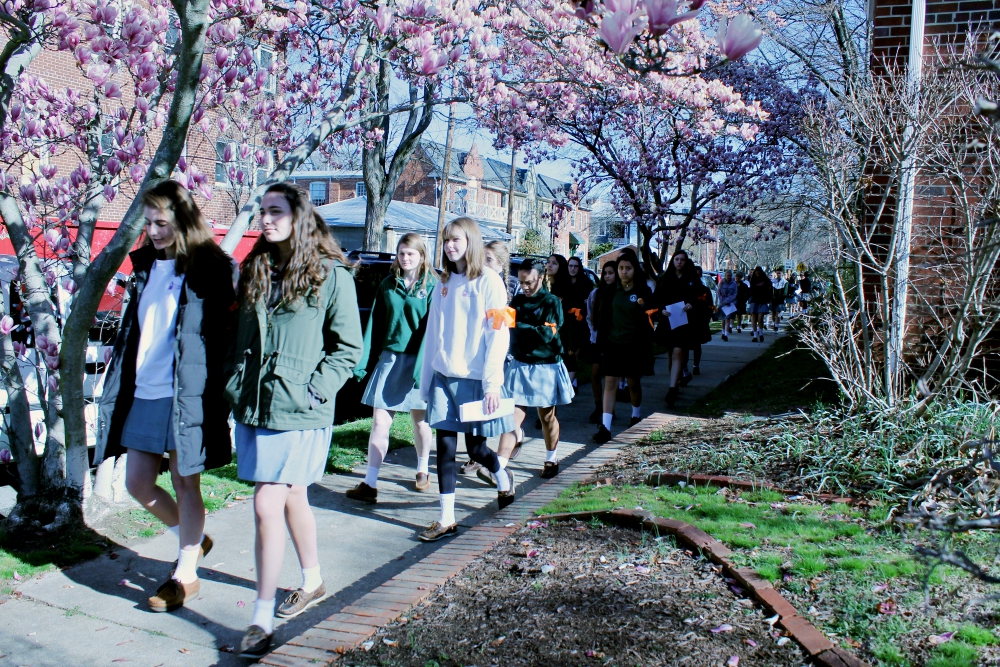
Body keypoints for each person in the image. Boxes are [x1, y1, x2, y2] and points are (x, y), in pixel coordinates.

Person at [227, 183, 363, 659]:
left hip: (300, 408)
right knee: (292, 498)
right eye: (262, 212)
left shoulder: (332, 276)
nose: (266, 220)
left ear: (299, 217)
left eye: (276, 212)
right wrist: (233, 383)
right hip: (258, 405)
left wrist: (315, 389)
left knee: (267, 502)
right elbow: (240, 335)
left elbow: (348, 349)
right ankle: (313, 579)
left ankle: (260, 619)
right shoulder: (257, 269)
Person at [95, 180, 236, 613]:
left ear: (182, 219)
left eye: (162, 223)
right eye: (149, 223)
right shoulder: (144, 267)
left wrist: (216, 396)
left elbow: (222, 340)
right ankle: (193, 540)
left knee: (183, 481)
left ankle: (185, 575)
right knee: (137, 481)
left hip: (185, 394)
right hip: (144, 391)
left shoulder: (210, 268)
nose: (154, 231)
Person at [419, 217, 516, 542]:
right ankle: (447, 518)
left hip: (476, 381)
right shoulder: (443, 283)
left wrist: (492, 383)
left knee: (476, 450)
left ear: (471, 241)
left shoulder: (490, 281)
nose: (450, 245)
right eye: (446, 240)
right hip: (445, 378)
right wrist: (426, 381)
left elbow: (498, 335)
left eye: (456, 239)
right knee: (444, 449)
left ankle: (502, 477)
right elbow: (433, 333)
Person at [346, 233, 436, 503]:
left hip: (418, 362)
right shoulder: (387, 284)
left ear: (422, 256)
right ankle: (370, 483)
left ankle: (422, 469)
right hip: (390, 359)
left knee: (420, 422)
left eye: (411, 253)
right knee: (379, 422)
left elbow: (431, 332)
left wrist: (422, 369)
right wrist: (362, 364)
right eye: (402, 253)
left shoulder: (432, 286)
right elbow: (373, 324)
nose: (406, 258)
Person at [480, 258, 575, 482]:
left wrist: (515, 325)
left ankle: (551, 459)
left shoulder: (552, 302)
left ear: (541, 278)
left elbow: (545, 335)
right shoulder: (518, 301)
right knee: (511, 419)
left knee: (547, 417)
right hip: (521, 365)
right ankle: (499, 467)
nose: (525, 287)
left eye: (530, 282)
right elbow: (503, 326)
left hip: (545, 366)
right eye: (522, 282)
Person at [593, 250, 654, 443]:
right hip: (613, 344)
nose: (624, 272)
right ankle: (605, 427)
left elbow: (651, 317)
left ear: (635, 269)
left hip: (634, 345)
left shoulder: (643, 291)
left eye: (628, 268)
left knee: (633, 384)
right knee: (610, 383)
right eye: (621, 268)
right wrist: (600, 343)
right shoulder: (610, 291)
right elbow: (603, 319)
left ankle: (635, 415)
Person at [652, 250, 697, 408]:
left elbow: (698, 297)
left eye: (682, 260)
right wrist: (661, 309)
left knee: (679, 351)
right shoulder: (665, 278)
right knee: (672, 353)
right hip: (669, 319)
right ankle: (674, 383)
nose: (679, 262)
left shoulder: (691, 278)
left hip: (684, 321)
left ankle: (672, 388)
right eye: (677, 259)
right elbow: (657, 298)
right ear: (673, 261)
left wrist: (692, 304)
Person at [587, 261, 618, 423]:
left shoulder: (619, 293)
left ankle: (609, 408)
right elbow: (589, 316)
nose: (607, 276)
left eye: (611, 273)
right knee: (595, 373)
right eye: (605, 273)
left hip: (613, 339)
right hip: (597, 339)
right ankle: (598, 405)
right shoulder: (596, 294)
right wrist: (593, 334)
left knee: (611, 376)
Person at [563, 256, 594, 391]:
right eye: (570, 266)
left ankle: (570, 384)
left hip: (580, 322)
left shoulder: (586, 283)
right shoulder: (564, 282)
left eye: (575, 266)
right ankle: (572, 382)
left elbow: (588, 302)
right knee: (568, 354)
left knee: (575, 352)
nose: (573, 269)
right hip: (566, 322)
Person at [689, 266, 714, 375]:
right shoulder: (686, 288)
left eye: (698, 274)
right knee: (684, 345)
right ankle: (684, 369)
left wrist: (707, 318)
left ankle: (696, 365)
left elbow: (709, 305)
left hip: (699, 319)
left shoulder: (705, 290)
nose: (697, 276)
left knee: (696, 344)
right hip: (687, 319)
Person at [747, 266, 771, 342]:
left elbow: (769, 288)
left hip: (762, 300)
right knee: (754, 319)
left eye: (759, 273)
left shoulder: (766, 280)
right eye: (756, 273)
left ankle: (761, 334)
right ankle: (755, 336)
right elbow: (751, 290)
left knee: (760, 318)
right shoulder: (753, 280)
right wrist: (757, 286)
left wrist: (764, 286)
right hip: (754, 300)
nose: (757, 274)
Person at [717, 270, 738, 342]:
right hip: (723, 304)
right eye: (727, 275)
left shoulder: (734, 284)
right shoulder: (721, 283)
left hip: (730, 304)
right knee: (723, 319)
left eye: (730, 275)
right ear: (725, 276)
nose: (729, 277)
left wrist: (728, 301)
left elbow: (735, 294)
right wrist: (723, 301)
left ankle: (726, 335)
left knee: (728, 319)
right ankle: (723, 332)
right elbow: (718, 293)